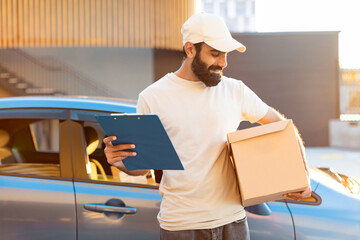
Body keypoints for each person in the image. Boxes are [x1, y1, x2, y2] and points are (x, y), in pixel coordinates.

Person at [103, 12, 312, 240]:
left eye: (225, 54)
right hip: (181, 226)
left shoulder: (235, 90)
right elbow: (144, 168)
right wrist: (120, 162)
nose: (223, 62)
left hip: (233, 221)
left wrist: (302, 174)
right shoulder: (153, 97)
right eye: (215, 53)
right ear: (190, 49)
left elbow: (282, 127)